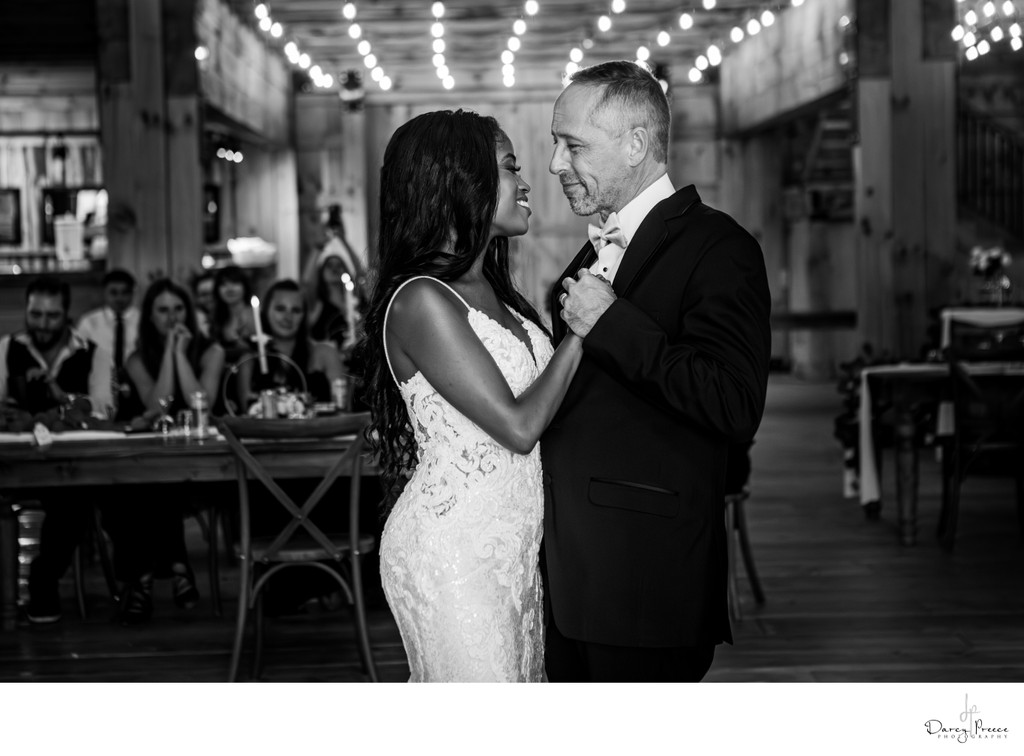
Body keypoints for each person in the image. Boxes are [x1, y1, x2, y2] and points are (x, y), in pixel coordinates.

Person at [543, 60, 772, 682]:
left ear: (637, 143)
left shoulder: (720, 248)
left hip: (644, 578)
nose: (558, 164)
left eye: (574, 145)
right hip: (572, 574)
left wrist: (613, 321)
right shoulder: (594, 249)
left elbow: (734, 403)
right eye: (555, 145)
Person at [361, 109, 583, 682]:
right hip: (453, 552)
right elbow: (517, 425)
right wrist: (586, 327)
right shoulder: (421, 301)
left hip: (510, 551)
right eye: (510, 167)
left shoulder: (493, 289)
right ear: (461, 181)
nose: (526, 182)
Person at [108, 278, 225, 624]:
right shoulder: (136, 359)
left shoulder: (212, 351)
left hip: (203, 466)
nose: (172, 317)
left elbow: (199, 401)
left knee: (154, 488)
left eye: (178, 308)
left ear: (188, 312)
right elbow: (157, 405)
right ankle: (173, 567)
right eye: (162, 310)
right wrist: (167, 360)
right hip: (155, 463)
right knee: (141, 488)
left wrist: (178, 355)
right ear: (149, 316)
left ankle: (141, 582)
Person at [0, 276, 113, 623]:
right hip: (17, 463)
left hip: (71, 462)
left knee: (74, 500)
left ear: (67, 314)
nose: (43, 324)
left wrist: (64, 407)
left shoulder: (93, 351)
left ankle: (42, 579)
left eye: (52, 316)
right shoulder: (6, 348)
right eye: (36, 314)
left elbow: (104, 408)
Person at [236, 278, 344, 408]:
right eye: (280, 309)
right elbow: (246, 415)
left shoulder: (326, 354)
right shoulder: (250, 360)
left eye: (296, 310)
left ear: (304, 316)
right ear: (265, 311)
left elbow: (342, 408)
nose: (288, 317)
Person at [76, 268, 139, 420]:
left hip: (136, 386)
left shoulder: (143, 321)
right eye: (114, 292)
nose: (120, 298)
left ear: (132, 293)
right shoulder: (89, 322)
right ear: (105, 292)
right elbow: (79, 360)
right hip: (100, 386)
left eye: (125, 292)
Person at [303, 206, 367, 356]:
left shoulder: (356, 298)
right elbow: (306, 282)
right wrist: (318, 247)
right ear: (320, 274)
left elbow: (363, 275)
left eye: (340, 266)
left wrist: (343, 240)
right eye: (329, 265)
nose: (335, 269)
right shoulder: (317, 304)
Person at [190, 269, 216, 338]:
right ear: (195, 297)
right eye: (204, 294)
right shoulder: (193, 322)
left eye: (214, 293)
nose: (210, 298)